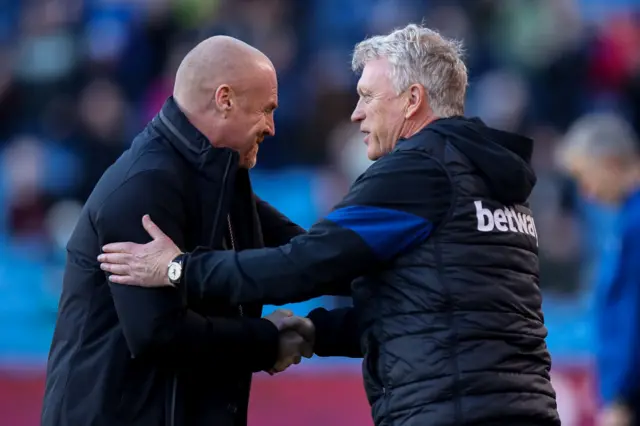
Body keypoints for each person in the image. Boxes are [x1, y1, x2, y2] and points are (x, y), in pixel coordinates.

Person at [99, 24, 560, 425]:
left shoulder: (419, 171)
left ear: (412, 100)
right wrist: (317, 332)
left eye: (366, 97)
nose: (356, 113)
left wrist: (179, 268)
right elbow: (427, 311)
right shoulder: (493, 181)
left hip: (452, 411)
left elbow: (307, 264)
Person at [41, 36, 314, 426]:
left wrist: (373, 259)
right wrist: (265, 340)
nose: (271, 127)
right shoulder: (143, 185)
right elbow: (157, 333)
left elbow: (300, 254)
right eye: (266, 109)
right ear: (225, 99)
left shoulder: (220, 175)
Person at [556, 113, 640, 426]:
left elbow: (632, 316)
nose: (585, 192)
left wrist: (620, 397)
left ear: (609, 162)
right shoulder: (625, 221)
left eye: (583, 176)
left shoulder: (635, 224)